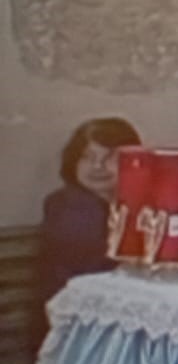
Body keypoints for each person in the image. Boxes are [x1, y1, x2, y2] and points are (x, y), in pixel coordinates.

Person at [38, 117, 142, 305]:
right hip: (75, 312)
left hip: (122, 299)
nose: (97, 166)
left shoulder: (135, 202)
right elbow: (96, 263)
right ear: (73, 161)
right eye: (87, 157)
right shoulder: (67, 205)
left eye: (111, 157)